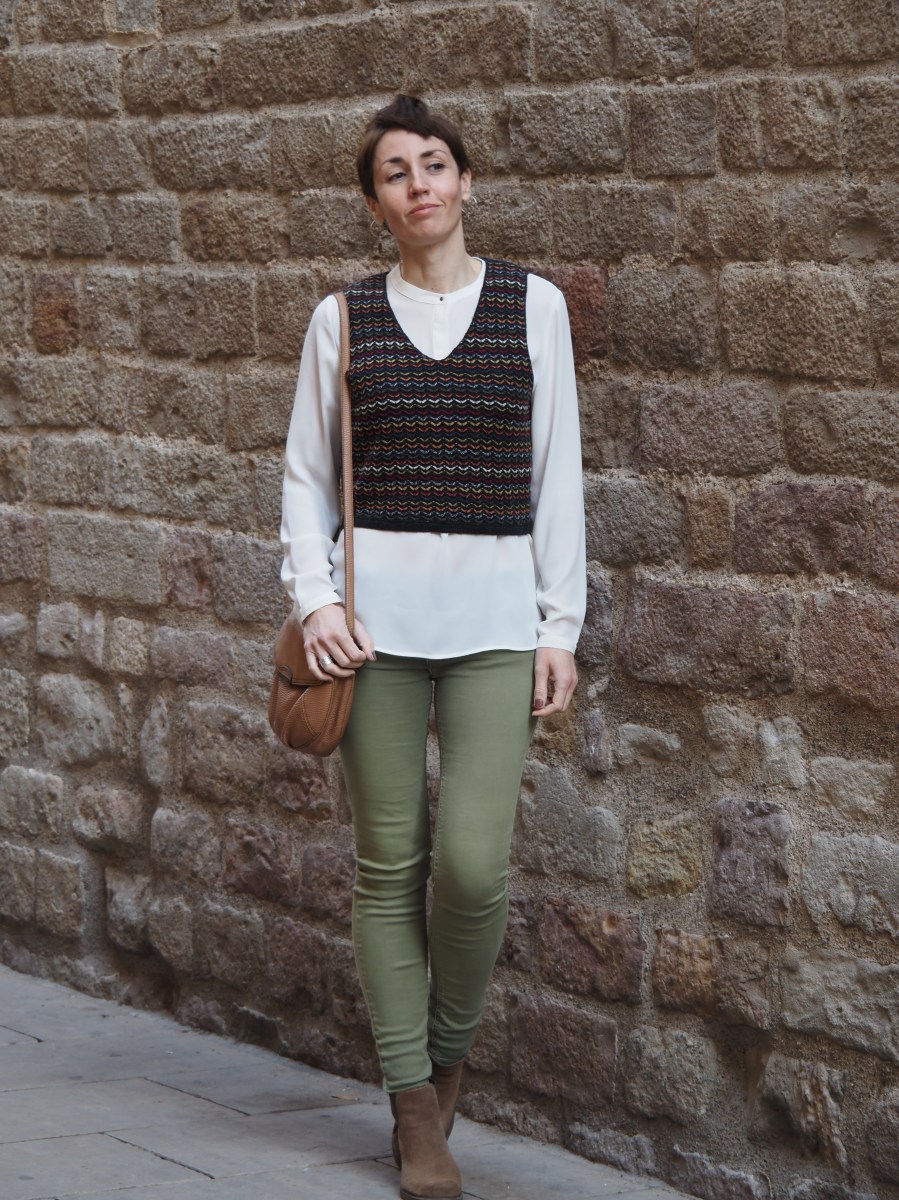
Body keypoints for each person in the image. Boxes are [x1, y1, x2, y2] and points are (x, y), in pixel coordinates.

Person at [280, 94, 586, 1200]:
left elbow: (557, 473)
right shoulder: (342, 319)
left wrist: (560, 626)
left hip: (496, 627)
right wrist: (315, 601)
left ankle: (444, 1063)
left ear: (465, 182)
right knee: (387, 867)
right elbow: (307, 476)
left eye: (435, 164)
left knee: (469, 867)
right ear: (375, 204)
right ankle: (414, 1107)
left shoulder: (533, 306)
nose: (419, 184)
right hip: (372, 639)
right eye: (395, 172)